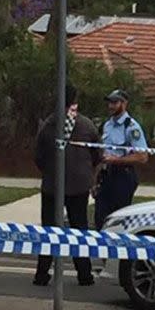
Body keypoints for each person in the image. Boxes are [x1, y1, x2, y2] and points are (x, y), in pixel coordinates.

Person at [33, 85, 101, 286]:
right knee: (79, 230)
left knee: (49, 230)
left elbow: (38, 156)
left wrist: (50, 171)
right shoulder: (86, 125)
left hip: (52, 185)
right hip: (79, 186)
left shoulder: (49, 124)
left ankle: (42, 274)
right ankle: (84, 274)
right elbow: (97, 155)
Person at [94, 89, 148, 230]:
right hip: (105, 176)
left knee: (118, 220)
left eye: (115, 102)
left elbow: (142, 156)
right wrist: (94, 180)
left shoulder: (131, 127)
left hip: (123, 177)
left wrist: (116, 160)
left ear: (124, 103)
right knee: (100, 218)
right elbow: (102, 153)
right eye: (110, 102)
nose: (111, 106)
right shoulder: (107, 125)